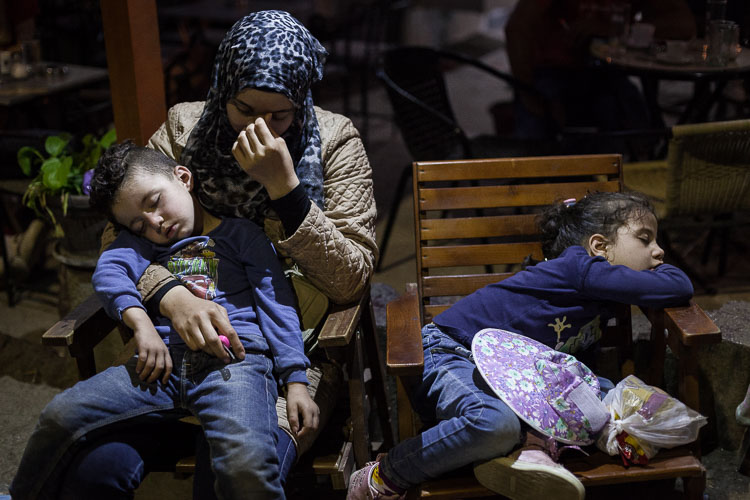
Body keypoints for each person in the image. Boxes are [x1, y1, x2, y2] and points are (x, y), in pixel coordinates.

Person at [60, 9, 378, 499]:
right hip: (170, 349)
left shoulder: (335, 141)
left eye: (281, 115)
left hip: (284, 353)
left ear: (301, 101)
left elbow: (351, 278)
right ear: (222, 88)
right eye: (246, 110)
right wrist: (170, 297)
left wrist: (286, 189)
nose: (263, 130)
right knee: (93, 469)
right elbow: (115, 240)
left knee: (230, 474)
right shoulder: (183, 131)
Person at [10, 141, 318, 499]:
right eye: (139, 224)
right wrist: (141, 324)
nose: (154, 223)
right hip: (161, 366)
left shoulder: (241, 235)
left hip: (235, 364)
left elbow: (276, 304)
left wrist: (296, 380)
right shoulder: (143, 247)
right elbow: (109, 273)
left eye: (154, 202)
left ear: (183, 177)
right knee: (59, 414)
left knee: (245, 465)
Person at [346, 191, 694, 500]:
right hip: (454, 352)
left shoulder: (596, 300)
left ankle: (528, 454)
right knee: (494, 425)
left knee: (626, 400)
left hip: (520, 380)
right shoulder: (578, 267)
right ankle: (386, 474)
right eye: (645, 239)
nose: (659, 251)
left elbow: (571, 376)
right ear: (599, 247)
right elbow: (678, 284)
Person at [505, 0, 696, 139]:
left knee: (639, 121)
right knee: (537, 131)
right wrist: (529, 94)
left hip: (607, 74)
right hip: (553, 71)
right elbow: (517, 27)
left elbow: (683, 25)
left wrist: (615, 29)